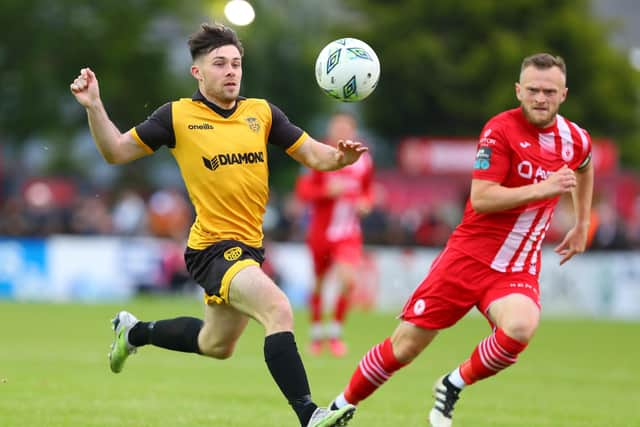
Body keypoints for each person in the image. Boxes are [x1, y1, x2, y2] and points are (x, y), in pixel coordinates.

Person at [69, 23, 364, 427]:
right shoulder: (177, 116)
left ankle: (133, 333)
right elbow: (116, 152)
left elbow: (316, 155)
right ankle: (309, 414)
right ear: (197, 72)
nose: (231, 71)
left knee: (216, 344)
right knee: (278, 309)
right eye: (220, 63)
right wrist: (94, 107)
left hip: (249, 247)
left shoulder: (261, 113)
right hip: (211, 248)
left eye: (237, 64)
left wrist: (341, 159)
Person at [328, 52, 594, 426]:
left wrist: (581, 223)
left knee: (520, 327)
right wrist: (543, 188)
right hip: (467, 258)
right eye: (533, 90)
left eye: (549, 91)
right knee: (405, 347)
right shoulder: (500, 131)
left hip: (516, 266)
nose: (540, 98)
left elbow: (585, 165)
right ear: (519, 90)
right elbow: (482, 198)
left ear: (563, 94)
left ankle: (453, 384)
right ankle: (341, 406)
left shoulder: (575, 138)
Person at [295, 112, 374, 357]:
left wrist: (366, 202)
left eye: (346, 126)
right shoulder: (319, 153)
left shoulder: (363, 159)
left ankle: (336, 333)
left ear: (353, 130)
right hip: (320, 232)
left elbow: (368, 191)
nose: (341, 130)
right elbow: (303, 191)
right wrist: (326, 191)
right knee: (319, 284)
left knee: (348, 280)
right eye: (337, 125)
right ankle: (317, 334)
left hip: (348, 233)